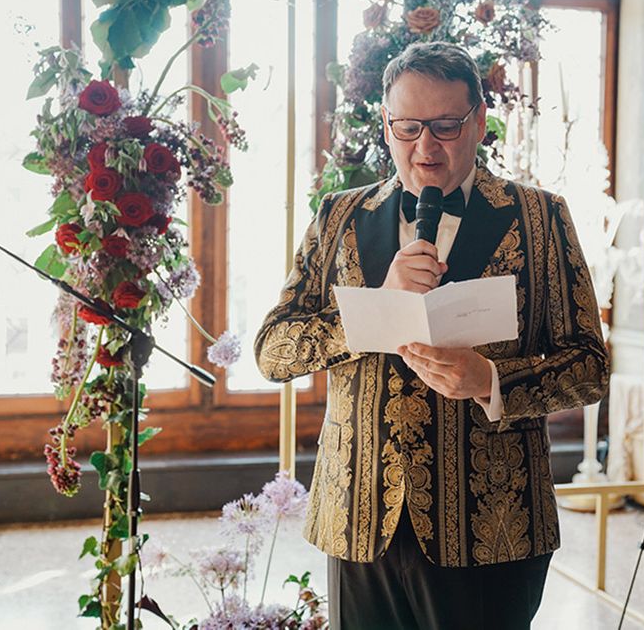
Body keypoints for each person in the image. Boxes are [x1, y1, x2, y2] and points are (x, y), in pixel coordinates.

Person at [254, 41, 609, 630]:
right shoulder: (337, 216)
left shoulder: (540, 216)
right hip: (360, 518)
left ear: (479, 123)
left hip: (492, 523)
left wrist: (491, 380)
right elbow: (273, 351)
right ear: (386, 124)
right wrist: (374, 311)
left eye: (445, 126)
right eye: (408, 127)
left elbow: (590, 365)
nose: (425, 147)